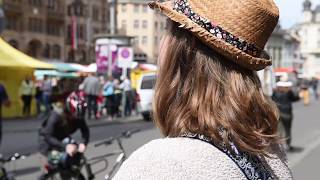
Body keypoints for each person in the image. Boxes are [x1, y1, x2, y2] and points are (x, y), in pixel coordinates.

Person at [113, 0, 293, 179]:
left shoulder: (157, 165)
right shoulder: (270, 154)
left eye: (167, 30)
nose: (161, 44)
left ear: (184, 52)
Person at [38, 91, 90, 178]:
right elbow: (48, 136)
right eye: (74, 116)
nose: (76, 118)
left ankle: (69, 174)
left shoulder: (78, 116)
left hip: (62, 139)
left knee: (73, 159)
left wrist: (83, 143)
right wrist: (65, 146)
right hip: (47, 142)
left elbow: (85, 130)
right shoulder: (56, 116)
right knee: (54, 166)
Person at [272, 81, 300, 152]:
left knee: (279, 130)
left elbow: (273, 100)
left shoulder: (275, 92)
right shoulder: (288, 92)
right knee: (287, 130)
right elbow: (295, 98)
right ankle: (287, 145)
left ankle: (279, 146)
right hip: (287, 113)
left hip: (278, 113)